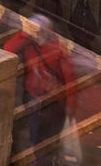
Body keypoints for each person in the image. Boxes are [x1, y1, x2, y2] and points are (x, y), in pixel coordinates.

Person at [5, 16, 78, 157]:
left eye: (36, 30)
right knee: (36, 134)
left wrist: (71, 105)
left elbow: (71, 81)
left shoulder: (58, 50)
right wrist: (24, 34)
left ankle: (44, 158)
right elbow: (8, 49)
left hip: (53, 102)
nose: (34, 33)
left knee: (48, 135)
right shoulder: (28, 44)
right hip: (33, 97)